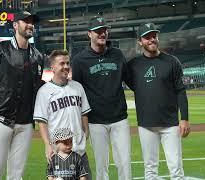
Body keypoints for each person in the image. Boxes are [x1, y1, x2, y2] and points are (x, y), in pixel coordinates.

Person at [0, 11, 44, 180]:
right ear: (15, 25)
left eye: (32, 22)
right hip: (0, 118)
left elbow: (37, 88)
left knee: (17, 173)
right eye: (26, 21)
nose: (30, 25)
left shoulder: (38, 56)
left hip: (26, 123)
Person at [127, 22, 190, 179]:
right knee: (150, 168)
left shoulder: (172, 62)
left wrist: (185, 119)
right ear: (140, 42)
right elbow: (134, 86)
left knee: (176, 168)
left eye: (154, 36)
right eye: (147, 37)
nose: (152, 40)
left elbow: (181, 91)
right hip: (146, 124)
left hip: (170, 124)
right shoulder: (133, 65)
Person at [71, 16, 131, 180]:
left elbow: (130, 80)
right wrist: (81, 121)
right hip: (96, 121)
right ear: (89, 34)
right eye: (98, 31)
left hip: (120, 119)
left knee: (124, 164)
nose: (102, 33)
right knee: (101, 165)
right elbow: (77, 92)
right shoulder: (79, 60)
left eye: (104, 30)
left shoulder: (118, 54)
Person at [33, 50, 91, 179]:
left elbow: (84, 112)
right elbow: (42, 122)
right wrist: (47, 145)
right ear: (53, 67)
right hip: (59, 153)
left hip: (80, 151)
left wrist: (86, 131)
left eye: (68, 63)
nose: (66, 66)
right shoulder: (44, 92)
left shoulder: (78, 87)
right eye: (62, 63)